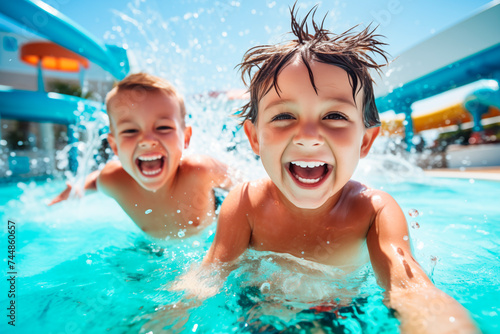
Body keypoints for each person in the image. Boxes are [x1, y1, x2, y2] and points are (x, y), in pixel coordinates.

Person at [202, 6, 478, 333]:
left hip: (342, 313)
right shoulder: (245, 204)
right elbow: (207, 277)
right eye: (283, 116)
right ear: (254, 138)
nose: (307, 136)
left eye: (334, 116)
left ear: (366, 141)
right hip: (259, 313)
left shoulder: (374, 211)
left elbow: (410, 287)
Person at [49, 73, 232, 239]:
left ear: (185, 138)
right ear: (114, 146)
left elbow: (245, 184)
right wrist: (78, 188)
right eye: (130, 130)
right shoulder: (114, 181)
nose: (146, 140)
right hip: (152, 250)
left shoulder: (200, 171)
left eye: (163, 127)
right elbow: (96, 180)